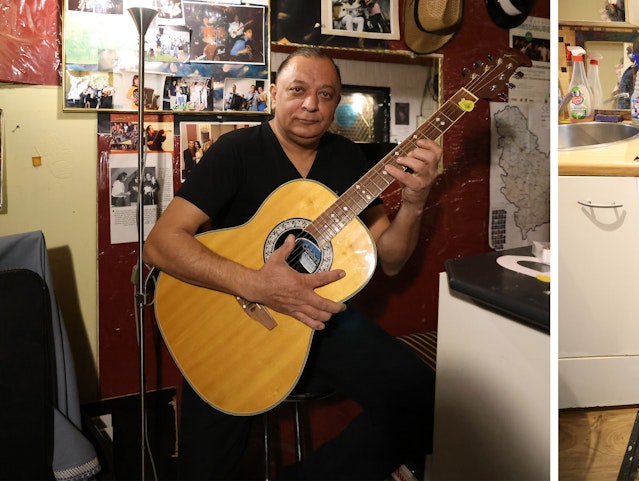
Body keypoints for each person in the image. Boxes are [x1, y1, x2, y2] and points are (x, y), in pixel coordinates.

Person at [143, 47, 440, 480]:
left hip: (319, 318)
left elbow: (391, 261)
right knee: (204, 469)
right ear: (274, 94)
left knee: (425, 402)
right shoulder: (235, 152)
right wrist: (257, 284)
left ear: (337, 103)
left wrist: (414, 203)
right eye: (298, 90)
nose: (311, 104)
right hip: (230, 321)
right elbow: (160, 245)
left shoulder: (347, 159)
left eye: (326, 94)